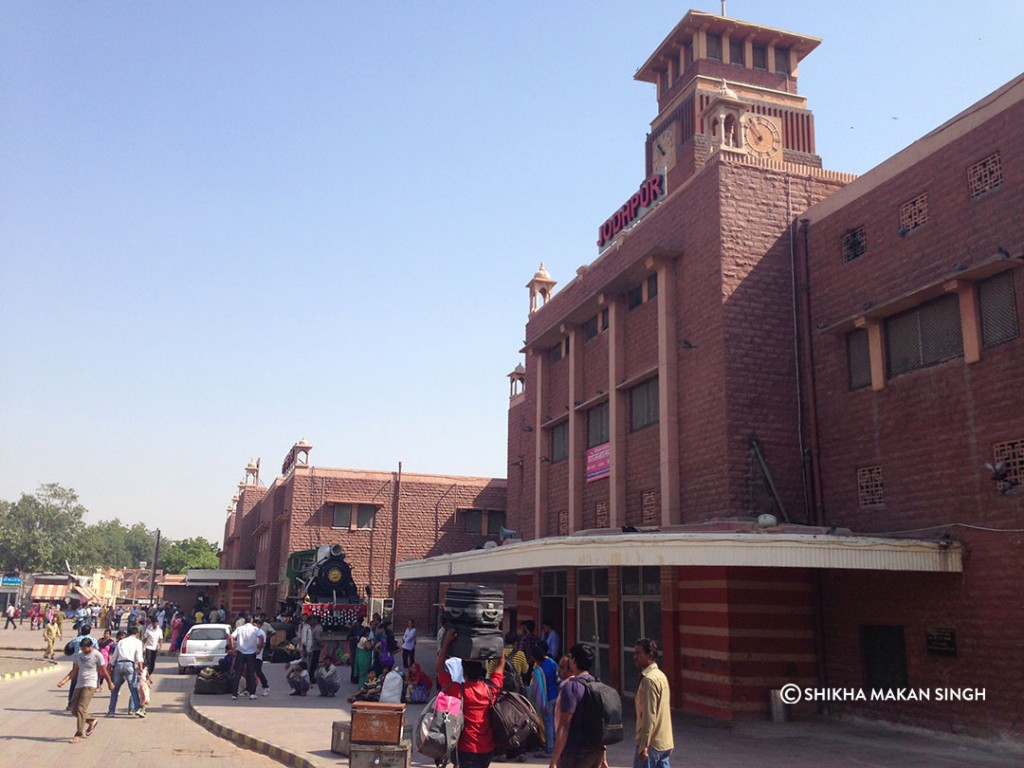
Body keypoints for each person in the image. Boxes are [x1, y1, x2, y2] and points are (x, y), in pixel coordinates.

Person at [436, 628, 506, 768]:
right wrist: (496, 639)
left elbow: (439, 670)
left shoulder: (458, 691)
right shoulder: (491, 689)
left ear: (464, 671)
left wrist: (446, 643)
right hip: (487, 747)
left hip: (466, 747)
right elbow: (500, 665)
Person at [549, 643, 608, 768]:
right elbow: (602, 724)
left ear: (573, 661)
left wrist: (554, 760)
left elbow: (564, 726)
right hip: (595, 751)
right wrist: (603, 758)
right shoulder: (597, 685)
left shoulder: (571, 687)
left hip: (575, 753)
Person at [57, 636, 114, 742]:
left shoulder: (97, 655)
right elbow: (74, 671)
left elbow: (104, 671)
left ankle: (78, 734)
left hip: (90, 684)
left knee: (81, 709)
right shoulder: (78, 655)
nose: (84, 651)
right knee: (74, 710)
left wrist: (110, 683)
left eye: (85, 649)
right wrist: (64, 681)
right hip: (79, 684)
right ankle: (91, 720)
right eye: (82, 649)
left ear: (91, 646)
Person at [633, 638, 673, 768]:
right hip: (665, 742)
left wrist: (644, 745)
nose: (635, 657)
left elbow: (649, 717)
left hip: (652, 744)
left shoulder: (649, 680)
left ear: (650, 655)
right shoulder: (661, 676)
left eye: (639, 653)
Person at [531, 640, 560, 758]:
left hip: (546, 699)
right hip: (556, 696)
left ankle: (549, 749)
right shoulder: (552, 662)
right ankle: (555, 745)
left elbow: (538, 689)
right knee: (554, 722)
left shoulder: (538, 670)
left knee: (548, 724)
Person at [108, 627, 145, 717]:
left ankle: (111, 711)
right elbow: (139, 657)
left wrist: (110, 666)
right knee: (133, 688)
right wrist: (140, 668)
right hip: (129, 665)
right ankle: (138, 708)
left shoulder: (121, 642)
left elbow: (114, 656)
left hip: (118, 665)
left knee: (115, 689)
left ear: (128, 633)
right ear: (136, 634)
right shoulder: (138, 642)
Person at [229, 614, 265, 701]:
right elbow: (261, 637)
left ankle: (234, 694)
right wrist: (259, 648)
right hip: (251, 653)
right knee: (251, 673)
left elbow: (231, 636)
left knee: (237, 673)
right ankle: (252, 693)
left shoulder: (240, 628)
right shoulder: (255, 629)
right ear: (252, 621)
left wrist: (232, 647)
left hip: (240, 652)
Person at [65, 624, 98, 710]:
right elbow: (97, 650)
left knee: (74, 684)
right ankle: (82, 705)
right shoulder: (93, 640)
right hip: (88, 664)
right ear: (89, 631)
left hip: (76, 663)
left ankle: (70, 703)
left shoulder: (75, 640)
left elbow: (69, 647)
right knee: (86, 684)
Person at [252, 616, 271, 696]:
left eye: (257, 624)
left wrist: (258, 649)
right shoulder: (253, 632)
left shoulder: (261, 633)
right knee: (250, 672)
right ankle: (249, 688)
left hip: (258, 655)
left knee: (258, 671)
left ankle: (265, 686)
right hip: (251, 654)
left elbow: (263, 644)